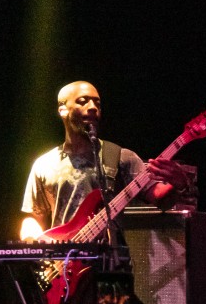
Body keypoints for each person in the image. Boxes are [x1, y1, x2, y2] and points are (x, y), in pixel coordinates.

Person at [20, 81, 191, 242]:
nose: (93, 107)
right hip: (64, 266)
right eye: (83, 101)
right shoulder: (44, 164)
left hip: (112, 265)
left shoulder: (122, 157)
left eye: (97, 103)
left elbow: (161, 200)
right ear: (63, 109)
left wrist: (179, 185)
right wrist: (30, 238)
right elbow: (34, 217)